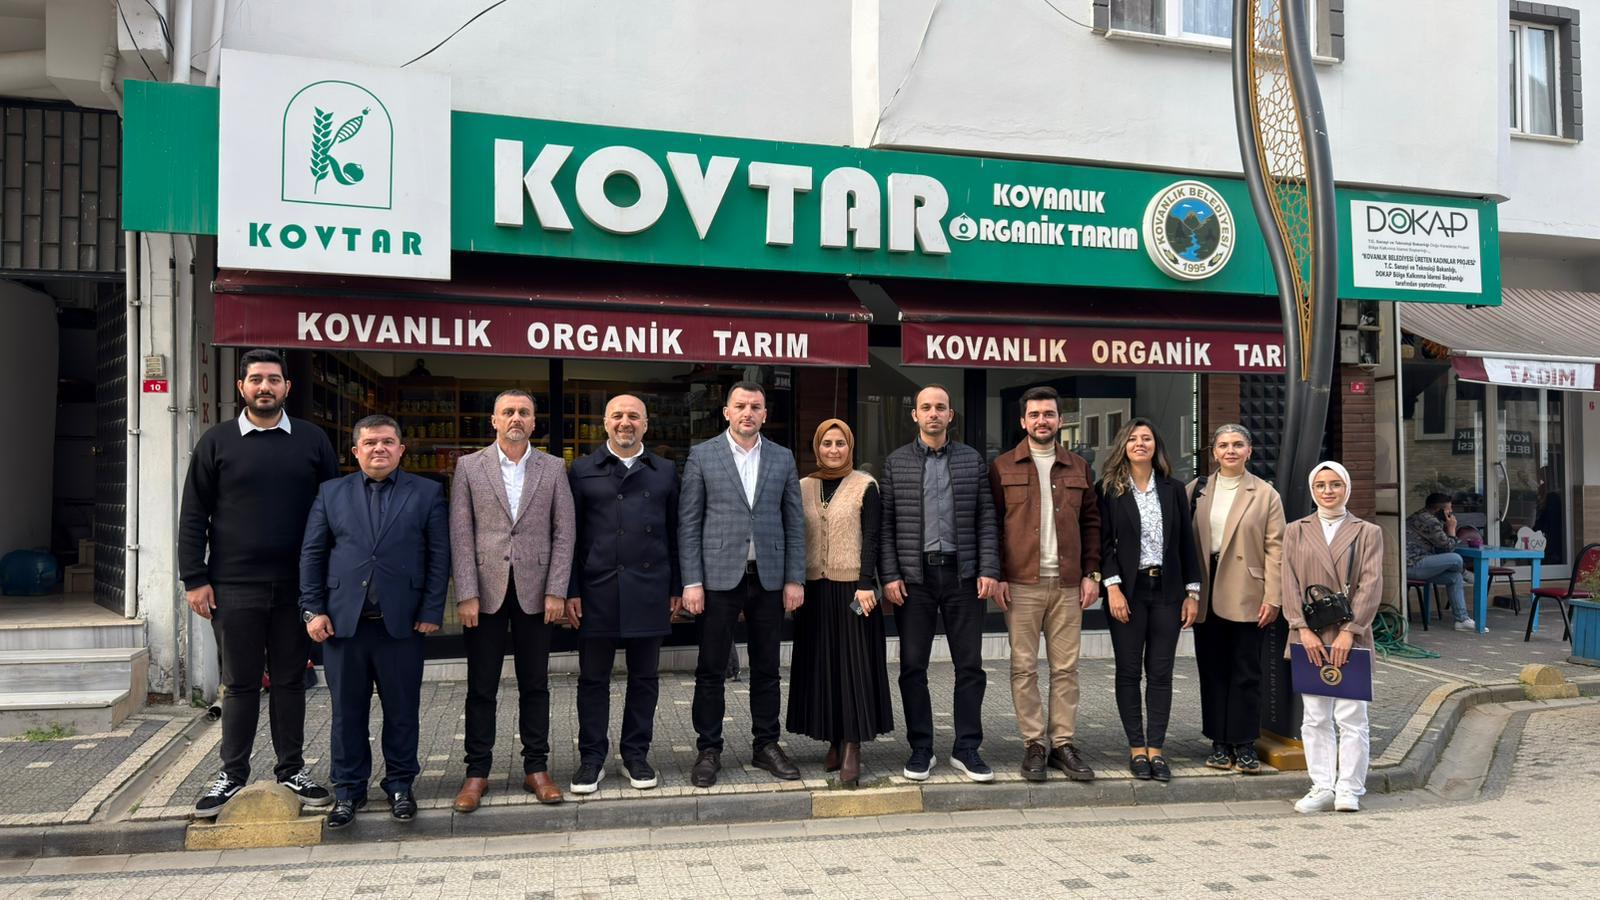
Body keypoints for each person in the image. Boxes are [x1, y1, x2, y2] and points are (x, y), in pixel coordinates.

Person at [178, 348, 338, 817]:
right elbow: (194, 515)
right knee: (240, 683)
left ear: (287, 387)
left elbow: (334, 512)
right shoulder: (216, 442)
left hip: (297, 586)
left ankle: (292, 770)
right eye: (255, 379)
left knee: (290, 681)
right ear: (241, 387)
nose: (264, 387)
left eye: (273, 379)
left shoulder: (312, 440)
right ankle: (232, 774)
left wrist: (325, 583)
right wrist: (195, 578)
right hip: (233, 585)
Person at [299, 415, 449, 829]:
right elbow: (312, 554)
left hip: (401, 625)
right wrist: (312, 609)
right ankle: (348, 790)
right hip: (343, 625)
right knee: (347, 714)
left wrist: (432, 611)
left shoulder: (427, 492)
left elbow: (439, 556)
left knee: (402, 711)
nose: (379, 448)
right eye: (370, 443)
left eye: (387, 442)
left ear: (401, 449)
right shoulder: (331, 493)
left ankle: (400, 785)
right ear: (356, 451)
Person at [448, 390, 576, 811]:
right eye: (508, 412)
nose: (516, 418)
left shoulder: (553, 467)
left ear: (534, 422)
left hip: (537, 592)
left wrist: (557, 589)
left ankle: (536, 768)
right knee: (481, 686)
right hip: (484, 592)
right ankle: (476, 772)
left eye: (523, 412)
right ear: (494, 420)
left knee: (535, 684)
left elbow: (564, 532)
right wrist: (466, 592)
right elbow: (460, 533)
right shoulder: (469, 466)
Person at [678, 381, 806, 788]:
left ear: (765, 414)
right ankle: (708, 749)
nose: (747, 412)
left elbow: (794, 523)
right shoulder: (703, 455)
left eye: (755, 406)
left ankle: (766, 744)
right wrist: (692, 581)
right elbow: (689, 523)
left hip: (769, 578)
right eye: (740, 406)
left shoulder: (783, 457)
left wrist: (794, 578)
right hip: (717, 578)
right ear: (727, 412)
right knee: (711, 668)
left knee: (767, 667)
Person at [880, 384, 1001, 783]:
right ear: (914, 414)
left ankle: (967, 748)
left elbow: (986, 518)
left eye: (940, 407)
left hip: (963, 576)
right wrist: (890, 575)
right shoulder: (896, 462)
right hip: (914, 580)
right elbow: (886, 526)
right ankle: (921, 748)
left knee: (970, 666)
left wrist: (989, 569)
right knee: (912, 666)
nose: (933, 413)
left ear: (951, 415)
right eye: (926, 407)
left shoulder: (971, 460)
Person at [566, 394, 680, 794]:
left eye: (633, 416)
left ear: (645, 424)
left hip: (650, 587)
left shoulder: (665, 470)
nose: (625, 422)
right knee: (592, 679)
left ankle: (636, 755)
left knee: (644, 678)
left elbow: (675, 533)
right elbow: (569, 536)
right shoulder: (582, 470)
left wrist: (676, 587)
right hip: (596, 589)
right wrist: (570, 590)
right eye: (617, 415)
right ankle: (591, 759)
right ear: (605, 423)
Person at [988, 386, 1101, 783]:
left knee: (1066, 669)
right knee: (1024, 668)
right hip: (1021, 584)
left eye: (1049, 414)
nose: (1042, 420)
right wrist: (999, 574)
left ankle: (1063, 744)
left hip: (1068, 584)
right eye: (1034, 414)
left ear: (1060, 420)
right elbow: (992, 526)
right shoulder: (1002, 467)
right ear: (1023, 421)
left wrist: (1091, 574)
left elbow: (1092, 523)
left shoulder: (1079, 467)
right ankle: (1033, 744)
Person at [785, 419, 894, 787]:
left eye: (840, 443)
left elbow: (873, 538)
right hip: (814, 591)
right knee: (822, 665)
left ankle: (852, 744)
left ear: (851, 447)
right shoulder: (803, 486)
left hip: (854, 591)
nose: (833, 450)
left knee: (854, 666)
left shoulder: (865, 485)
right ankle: (832, 737)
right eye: (827, 443)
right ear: (817, 447)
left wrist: (866, 583)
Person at [1097, 418, 1201, 784]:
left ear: (1156, 446)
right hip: (1128, 592)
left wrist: (1192, 593)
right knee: (1128, 672)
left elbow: (1186, 542)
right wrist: (1111, 588)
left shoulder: (1173, 489)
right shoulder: (1108, 488)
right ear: (1123, 446)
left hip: (1168, 592)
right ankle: (1136, 748)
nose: (1140, 443)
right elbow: (1103, 543)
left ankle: (1156, 748)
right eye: (1133, 438)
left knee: (1160, 672)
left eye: (1147, 438)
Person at [1284, 461, 1383, 814]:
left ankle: (1350, 787)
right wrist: (1301, 628)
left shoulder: (1367, 532)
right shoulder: (1295, 531)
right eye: (1321, 485)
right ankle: (1322, 785)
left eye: (1335, 484)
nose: (1328, 491)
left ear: (1347, 488)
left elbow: (1371, 585)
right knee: (1314, 715)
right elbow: (1289, 583)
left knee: (1352, 715)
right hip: (1308, 635)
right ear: (1313, 490)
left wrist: (1349, 632)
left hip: (1350, 633)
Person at [1188, 424, 1285, 774]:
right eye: (1223, 445)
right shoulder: (1195, 490)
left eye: (1238, 444)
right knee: (1212, 669)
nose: (1230, 450)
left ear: (1249, 451)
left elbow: (1276, 549)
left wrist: (1273, 597)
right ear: (1213, 452)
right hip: (1206, 587)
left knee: (1246, 670)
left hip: (1248, 590)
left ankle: (1244, 742)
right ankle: (1218, 742)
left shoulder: (1265, 494)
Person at [1404, 492, 1475, 631]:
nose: (1451, 512)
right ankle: (1466, 574)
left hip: (1419, 564)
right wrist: (1452, 528)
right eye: (1449, 509)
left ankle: (1462, 620)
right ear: (1439, 510)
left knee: (1455, 577)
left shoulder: (1421, 516)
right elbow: (1448, 547)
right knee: (1456, 559)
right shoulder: (1430, 521)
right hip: (1412, 565)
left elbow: (1441, 548)